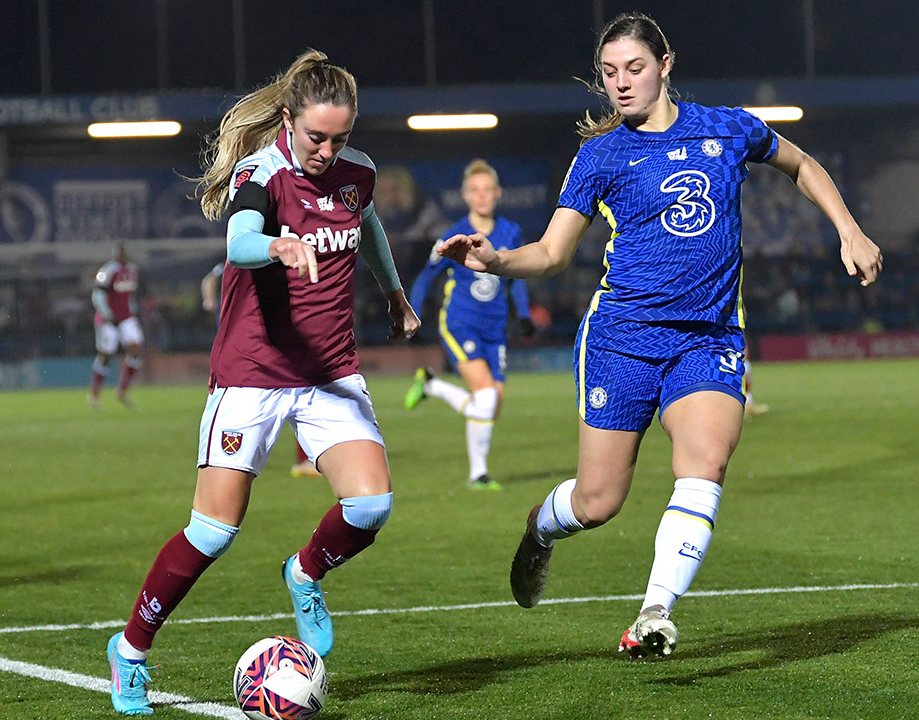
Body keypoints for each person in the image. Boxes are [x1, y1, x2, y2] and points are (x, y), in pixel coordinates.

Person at [439, 12, 881, 659]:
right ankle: (539, 530)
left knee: (705, 462)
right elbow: (554, 253)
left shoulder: (727, 128)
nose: (621, 83)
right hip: (623, 339)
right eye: (610, 73)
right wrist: (496, 259)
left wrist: (848, 227)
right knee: (597, 502)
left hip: (707, 340)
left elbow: (802, 164)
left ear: (665, 65)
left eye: (635, 68)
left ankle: (653, 613)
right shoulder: (601, 155)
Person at [105, 49, 419, 716]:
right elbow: (239, 240)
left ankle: (304, 573)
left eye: (339, 137)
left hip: (330, 371)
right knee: (213, 533)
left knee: (371, 507)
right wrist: (276, 245)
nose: (327, 151)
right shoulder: (263, 172)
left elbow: (367, 225)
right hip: (253, 375)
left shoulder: (356, 172)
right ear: (287, 119)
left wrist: (393, 293)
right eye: (315, 137)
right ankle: (130, 652)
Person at [403, 159, 536, 490]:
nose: (481, 196)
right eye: (475, 190)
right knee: (486, 398)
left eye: (487, 189)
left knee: (490, 407)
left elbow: (515, 277)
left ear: (497, 193)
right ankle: (478, 474)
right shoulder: (453, 235)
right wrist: (412, 311)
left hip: (495, 329)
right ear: (465, 195)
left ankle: (431, 386)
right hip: (460, 322)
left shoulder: (510, 231)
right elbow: (426, 276)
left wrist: (524, 314)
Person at [202, 259, 322, 477]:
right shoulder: (241, 256)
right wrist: (209, 300)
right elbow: (209, 279)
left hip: (252, 341)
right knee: (300, 387)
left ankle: (304, 458)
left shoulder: (260, 258)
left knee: (300, 389)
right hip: (248, 344)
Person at [88, 245, 143, 409]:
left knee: (135, 351)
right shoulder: (108, 271)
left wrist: (132, 312)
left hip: (126, 317)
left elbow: (129, 296)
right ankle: (94, 394)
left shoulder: (133, 270)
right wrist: (107, 315)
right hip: (108, 320)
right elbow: (97, 294)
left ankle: (122, 390)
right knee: (106, 355)